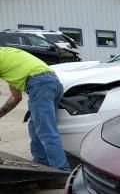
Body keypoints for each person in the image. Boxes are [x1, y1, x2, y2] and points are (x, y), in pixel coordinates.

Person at [0, 47, 69, 177]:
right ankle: (42, 166)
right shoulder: (10, 63)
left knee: (46, 131)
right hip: (51, 82)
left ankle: (61, 173)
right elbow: (16, 97)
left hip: (39, 84)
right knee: (35, 128)